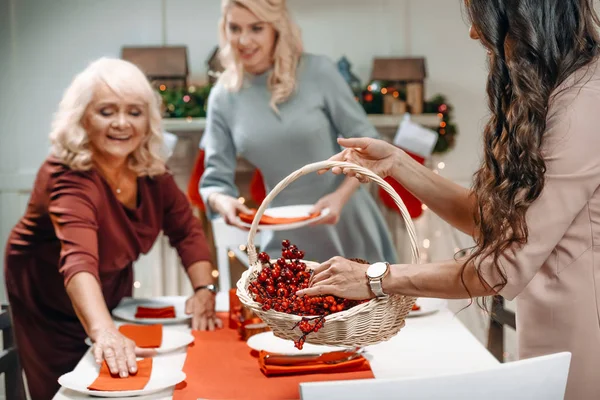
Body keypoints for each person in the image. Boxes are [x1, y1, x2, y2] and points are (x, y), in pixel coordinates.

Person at [298, 1, 600, 398]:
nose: (474, 33)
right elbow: (491, 222)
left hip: (583, 344)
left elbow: (499, 268)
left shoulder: (584, 105)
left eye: (481, 16)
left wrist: (376, 278)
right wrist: (398, 163)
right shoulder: (563, 90)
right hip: (549, 335)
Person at [4, 58, 222, 400]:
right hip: (49, 296)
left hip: (106, 281)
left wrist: (203, 288)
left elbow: (187, 229)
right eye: (107, 111)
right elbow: (78, 261)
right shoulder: (68, 175)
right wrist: (103, 330)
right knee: (74, 385)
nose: (122, 123)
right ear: (83, 118)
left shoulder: (148, 169)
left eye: (134, 112)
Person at [200, 0, 397, 264]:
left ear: (276, 29)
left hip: (348, 222)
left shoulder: (318, 72)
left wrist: (340, 197)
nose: (243, 40)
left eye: (256, 28)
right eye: (235, 28)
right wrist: (222, 202)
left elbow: (370, 147)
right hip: (284, 234)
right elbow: (214, 182)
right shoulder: (223, 97)